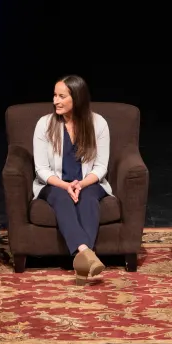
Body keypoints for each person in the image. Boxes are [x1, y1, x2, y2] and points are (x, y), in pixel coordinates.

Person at [32, 75, 113, 286]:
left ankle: (81, 262)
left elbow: (101, 167)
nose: (55, 101)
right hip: (55, 184)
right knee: (61, 197)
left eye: (61, 96)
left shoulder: (98, 123)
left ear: (76, 98)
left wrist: (81, 184)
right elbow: (41, 169)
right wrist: (66, 185)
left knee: (88, 198)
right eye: (54, 95)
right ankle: (86, 253)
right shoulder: (44, 124)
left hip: (89, 182)